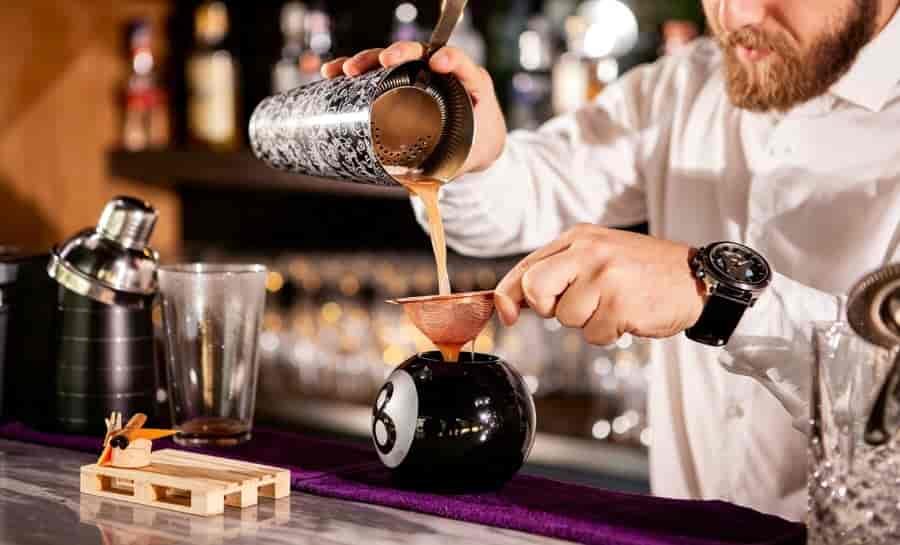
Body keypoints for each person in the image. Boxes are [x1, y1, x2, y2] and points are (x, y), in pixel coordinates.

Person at [323, 0, 900, 521]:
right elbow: (514, 202)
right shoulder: (686, 83)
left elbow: (889, 413)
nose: (734, 14)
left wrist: (718, 297)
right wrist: (466, 144)